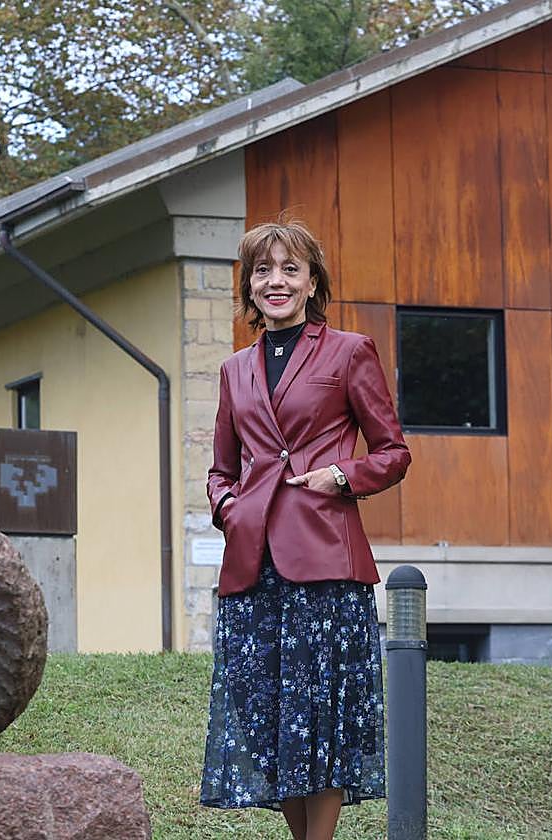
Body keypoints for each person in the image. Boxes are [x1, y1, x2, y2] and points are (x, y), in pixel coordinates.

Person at [200, 219, 411, 840]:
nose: (276, 281)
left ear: (311, 281)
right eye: (263, 270)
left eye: (290, 269)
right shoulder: (234, 369)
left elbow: (393, 452)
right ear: (249, 285)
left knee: (322, 716)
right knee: (267, 715)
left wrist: (340, 478)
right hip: (252, 563)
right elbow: (219, 469)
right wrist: (229, 509)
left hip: (325, 557)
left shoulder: (349, 351)